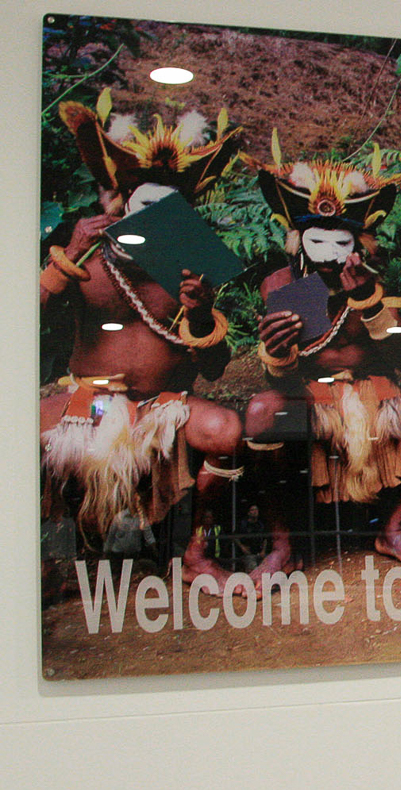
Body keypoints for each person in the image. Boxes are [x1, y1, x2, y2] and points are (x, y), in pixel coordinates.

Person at [242, 143, 401, 594]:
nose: (330, 254)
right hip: (310, 396)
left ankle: (393, 529)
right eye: (318, 241)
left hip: (375, 392)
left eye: (340, 242)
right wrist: (279, 351)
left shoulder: (374, 282)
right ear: (298, 240)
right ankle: (283, 545)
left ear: (358, 245)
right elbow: (278, 380)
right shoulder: (283, 284)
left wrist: (369, 304)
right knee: (258, 414)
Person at [39, 93, 245, 590]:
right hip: (87, 399)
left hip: (162, 405)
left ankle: (195, 552)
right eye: (145, 207)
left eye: (168, 210)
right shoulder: (84, 260)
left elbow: (216, 366)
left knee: (226, 430)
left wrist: (198, 314)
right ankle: (43, 563)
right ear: (121, 205)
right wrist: (63, 259)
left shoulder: (191, 269)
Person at [234, 503, 268, 573]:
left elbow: (265, 538)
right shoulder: (243, 524)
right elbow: (234, 536)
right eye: (253, 510)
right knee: (253, 573)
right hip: (249, 554)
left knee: (262, 573)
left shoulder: (260, 525)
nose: (255, 512)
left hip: (259, 554)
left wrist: (263, 551)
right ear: (249, 513)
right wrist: (242, 547)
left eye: (256, 510)